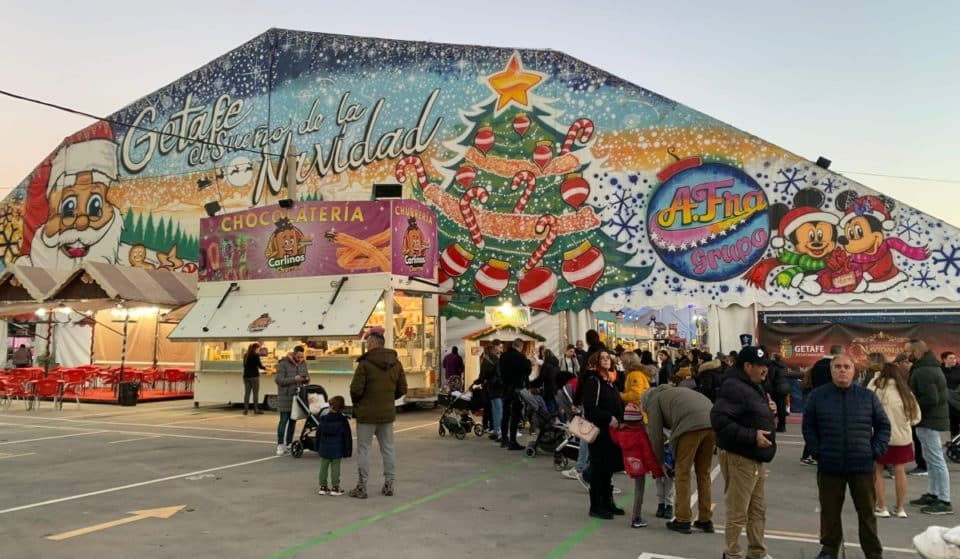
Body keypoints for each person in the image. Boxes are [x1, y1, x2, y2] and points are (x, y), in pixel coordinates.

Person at [711, 346, 778, 559]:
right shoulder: (734, 387)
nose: (765, 370)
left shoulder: (753, 385)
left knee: (757, 509)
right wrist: (751, 436)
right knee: (738, 510)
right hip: (741, 457)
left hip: (755, 457)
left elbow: (748, 412)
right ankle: (732, 553)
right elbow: (719, 420)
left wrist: (770, 411)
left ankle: (756, 552)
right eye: (761, 366)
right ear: (747, 366)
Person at [643, 383, 715, 534]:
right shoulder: (674, 392)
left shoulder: (654, 400)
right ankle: (705, 519)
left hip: (690, 426)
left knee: (683, 473)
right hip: (712, 423)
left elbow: (655, 435)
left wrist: (661, 461)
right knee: (704, 473)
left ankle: (682, 519)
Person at [349, 331, 407, 499]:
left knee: (364, 450)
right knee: (388, 449)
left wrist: (359, 403)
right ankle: (389, 483)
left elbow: (355, 389)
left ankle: (362, 486)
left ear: (373, 343)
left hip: (366, 414)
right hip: (387, 413)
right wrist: (389, 399)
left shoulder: (365, 364)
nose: (367, 345)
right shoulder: (396, 363)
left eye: (368, 343)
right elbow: (402, 389)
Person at [868, 362, 921, 518]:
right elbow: (916, 417)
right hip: (902, 437)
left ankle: (881, 506)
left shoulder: (875, 390)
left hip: (879, 436)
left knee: (877, 469)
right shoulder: (906, 392)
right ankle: (900, 508)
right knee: (900, 470)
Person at [906, 339, 952, 515]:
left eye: (908, 351)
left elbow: (931, 399)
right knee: (931, 459)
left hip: (929, 421)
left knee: (936, 460)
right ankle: (934, 494)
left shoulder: (924, 371)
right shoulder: (927, 367)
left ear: (917, 352)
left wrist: (912, 406)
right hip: (929, 420)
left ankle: (944, 500)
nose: (906, 355)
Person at [582, 351, 625, 520]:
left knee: (608, 469)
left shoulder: (611, 381)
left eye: (608, 358)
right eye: (603, 358)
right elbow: (591, 408)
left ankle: (607, 502)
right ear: (596, 362)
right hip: (599, 431)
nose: (607, 360)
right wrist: (609, 418)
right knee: (599, 468)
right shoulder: (594, 381)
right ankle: (596, 505)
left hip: (612, 432)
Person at [610, 402, 662, 528]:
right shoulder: (640, 434)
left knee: (637, 489)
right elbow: (648, 454)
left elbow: (614, 437)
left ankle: (636, 517)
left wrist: (612, 427)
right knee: (639, 491)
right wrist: (657, 472)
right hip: (640, 466)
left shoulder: (621, 432)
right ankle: (636, 517)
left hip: (629, 464)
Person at [801, 345, 844, 465]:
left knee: (815, 428)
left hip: (816, 397)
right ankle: (814, 456)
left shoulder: (818, 364)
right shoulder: (833, 366)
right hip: (831, 399)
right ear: (839, 354)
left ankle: (808, 455)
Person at [275, 345, 310, 456]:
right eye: (298, 357)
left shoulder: (303, 363)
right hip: (285, 396)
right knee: (283, 421)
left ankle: (289, 443)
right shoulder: (283, 364)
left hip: (297, 396)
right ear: (294, 354)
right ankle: (280, 444)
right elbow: (279, 380)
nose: (300, 359)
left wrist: (306, 379)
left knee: (293, 421)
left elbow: (307, 378)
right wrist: (294, 379)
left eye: (302, 357)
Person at [499, 339, 531, 451]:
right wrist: (528, 361)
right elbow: (527, 371)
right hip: (516, 389)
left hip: (505, 388)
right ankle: (513, 441)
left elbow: (500, 371)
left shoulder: (503, 356)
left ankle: (503, 439)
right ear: (520, 347)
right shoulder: (520, 357)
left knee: (505, 414)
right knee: (515, 415)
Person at [317, 396, 352, 497]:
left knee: (323, 467)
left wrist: (317, 446)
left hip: (324, 447)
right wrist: (347, 450)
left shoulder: (323, 419)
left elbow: (318, 434)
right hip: (337, 448)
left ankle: (323, 486)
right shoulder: (343, 420)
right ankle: (335, 487)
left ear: (330, 406)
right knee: (335, 468)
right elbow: (347, 436)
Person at [478, 343, 503, 442]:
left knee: (495, 411)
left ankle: (498, 432)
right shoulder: (497, 359)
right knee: (498, 410)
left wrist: (477, 382)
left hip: (492, 388)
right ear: (493, 350)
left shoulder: (486, 361)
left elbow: (482, 376)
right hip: (500, 388)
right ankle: (497, 430)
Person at [767, 352, 790, 432]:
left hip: (777, 389)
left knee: (775, 408)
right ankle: (782, 426)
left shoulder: (773, 366)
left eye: (772, 356)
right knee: (782, 408)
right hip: (785, 388)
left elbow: (771, 378)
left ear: (774, 358)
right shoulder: (784, 365)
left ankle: (775, 426)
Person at [242, 342, 266, 415]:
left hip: (246, 376)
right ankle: (256, 410)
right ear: (256, 348)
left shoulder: (245, 355)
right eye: (258, 348)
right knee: (255, 393)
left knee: (247, 393)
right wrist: (267, 368)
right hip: (254, 376)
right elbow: (260, 366)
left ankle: (245, 410)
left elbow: (244, 365)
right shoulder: (256, 355)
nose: (259, 350)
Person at [941, 351, 960, 437]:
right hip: (945, 400)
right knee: (952, 424)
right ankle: (954, 440)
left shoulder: (959, 369)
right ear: (944, 359)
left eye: (954, 358)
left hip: (957, 399)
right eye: (951, 358)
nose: (953, 360)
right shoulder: (939, 370)